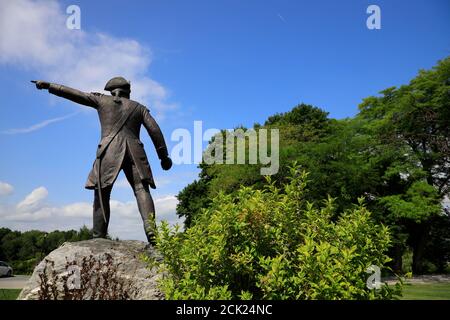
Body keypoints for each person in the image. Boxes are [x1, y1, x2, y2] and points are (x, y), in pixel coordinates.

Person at [33, 77, 172, 244]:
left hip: (110, 150)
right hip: (136, 151)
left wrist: (50, 86)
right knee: (142, 190)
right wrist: (163, 157)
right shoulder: (139, 108)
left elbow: (76, 94)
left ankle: (98, 236)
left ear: (112, 91)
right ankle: (151, 230)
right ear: (127, 91)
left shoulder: (102, 100)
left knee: (102, 192)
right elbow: (155, 130)